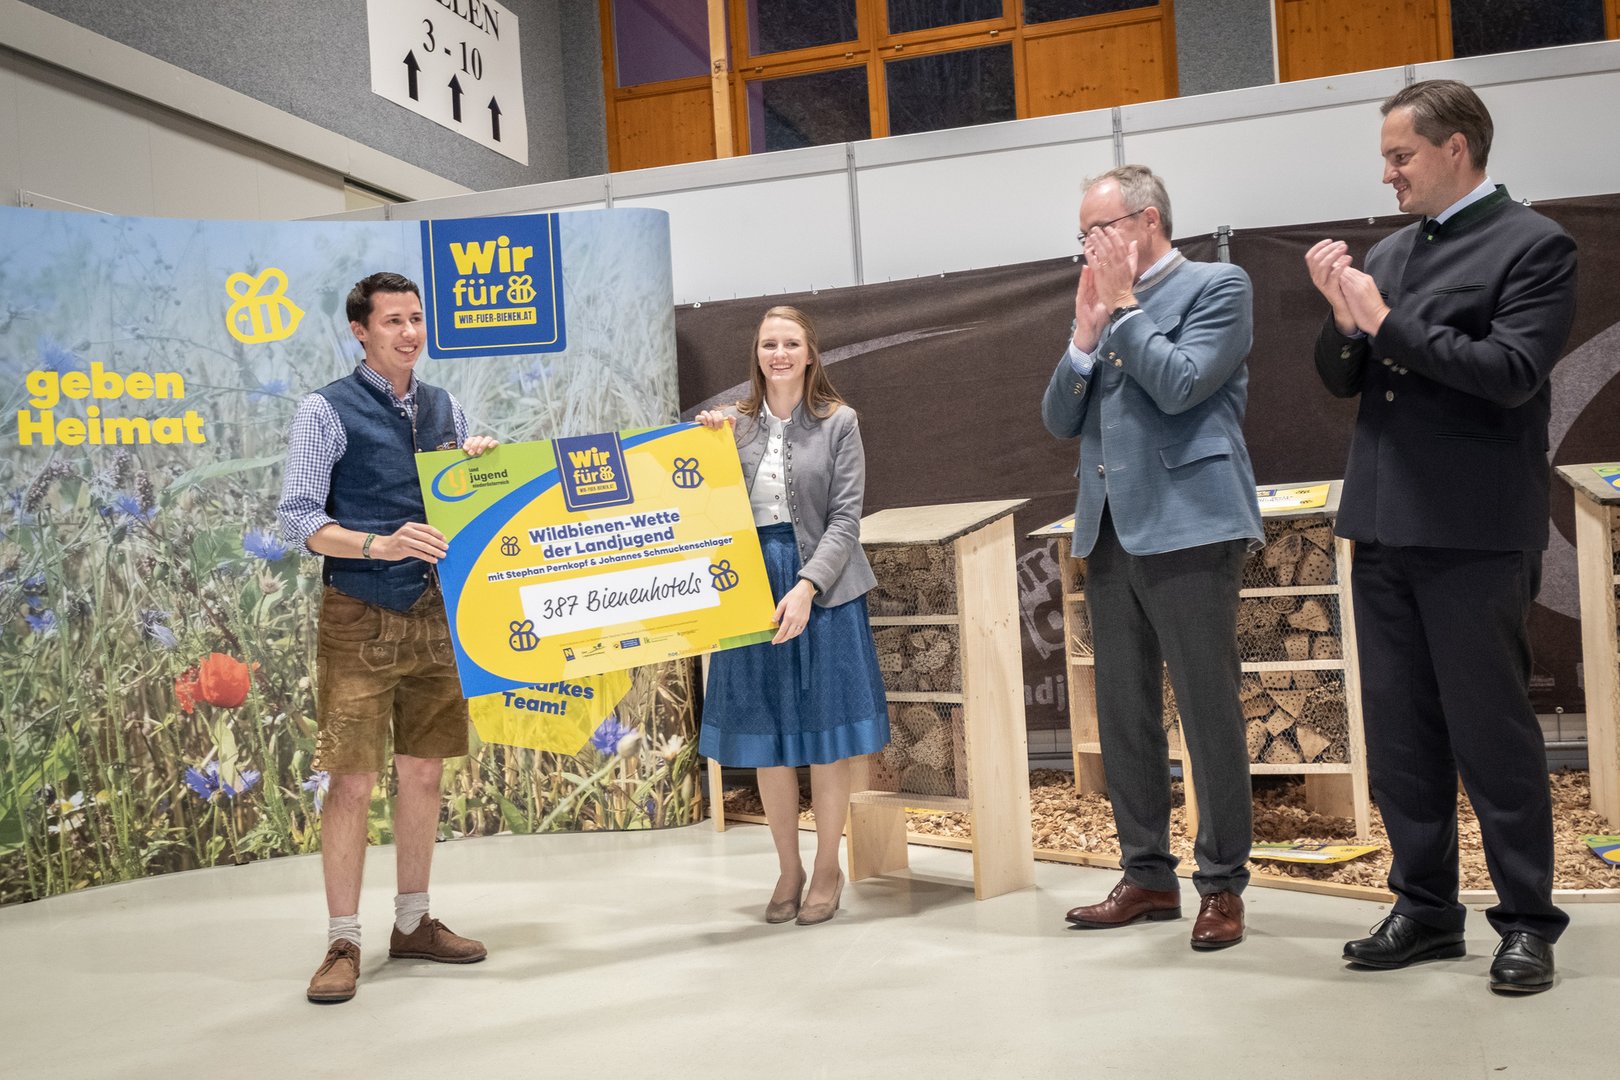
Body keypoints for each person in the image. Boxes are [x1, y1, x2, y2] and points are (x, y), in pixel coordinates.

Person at [1305, 80, 1576, 994]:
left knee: (1491, 735)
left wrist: (1386, 320)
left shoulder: (1534, 245)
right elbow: (1345, 378)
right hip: (1384, 523)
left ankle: (1527, 921)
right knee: (1401, 735)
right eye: (1386, 158)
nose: (1388, 174)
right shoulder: (1390, 251)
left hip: (1473, 531)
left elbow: (1510, 371)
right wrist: (1343, 320)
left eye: (1401, 156)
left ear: (1456, 147)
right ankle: (1424, 910)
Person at [1041, 165, 1263, 950]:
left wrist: (1125, 308)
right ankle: (1146, 875)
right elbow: (1059, 419)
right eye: (1083, 235)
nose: (1089, 246)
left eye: (1099, 230)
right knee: (1124, 716)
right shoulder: (1099, 303)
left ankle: (1222, 884)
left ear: (1148, 222)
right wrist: (1082, 339)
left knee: (1207, 710)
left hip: (1192, 526)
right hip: (1109, 531)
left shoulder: (1217, 286)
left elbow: (1180, 385)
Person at [277, 271, 499, 1004]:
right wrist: (380, 545)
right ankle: (343, 940)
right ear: (361, 331)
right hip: (358, 614)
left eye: (416, 318)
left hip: (436, 614)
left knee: (425, 772)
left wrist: (483, 464)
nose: (409, 333)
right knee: (351, 779)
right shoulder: (325, 410)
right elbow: (301, 520)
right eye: (393, 321)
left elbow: (466, 503)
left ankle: (413, 922)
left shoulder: (446, 407)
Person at [695, 306, 888, 926]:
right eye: (767, 344)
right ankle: (788, 868)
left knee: (827, 740)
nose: (778, 354)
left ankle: (828, 868)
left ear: (810, 353)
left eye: (790, 344)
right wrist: (701, 441)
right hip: (748, 587)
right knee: (768, 739)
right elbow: (689, 495)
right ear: (756, 355)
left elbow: (846, 520)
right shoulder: (730, 425)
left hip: (823, 591)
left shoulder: (840, 422)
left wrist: (807, 586)